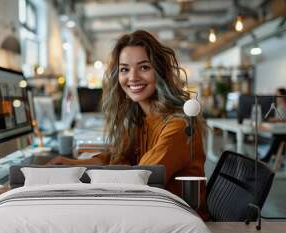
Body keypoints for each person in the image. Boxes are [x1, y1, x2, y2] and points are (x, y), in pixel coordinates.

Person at [48, 30, 206, 210]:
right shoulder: (140, 119)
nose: (132, 77)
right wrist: (73, 165)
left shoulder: (178, 126)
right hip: (152, 209)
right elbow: (117, 156)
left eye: (144, 67)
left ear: (160, 72)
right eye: (125, 69)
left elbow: (139, 178)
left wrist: (82, 174)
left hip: (179, 221)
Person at [261, 87, 286, 163]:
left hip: (284, 131)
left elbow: (284, 120)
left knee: (278, 138)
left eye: (277, 94)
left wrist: (274, 120)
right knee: (277, 137)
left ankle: (269, 157)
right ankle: (274, 156)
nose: (275, 96)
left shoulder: (284, 105)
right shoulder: (277, 105)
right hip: (280, 129)